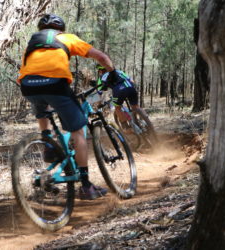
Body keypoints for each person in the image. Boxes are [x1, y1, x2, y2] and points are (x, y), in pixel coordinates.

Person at [17, 14, 117, 200]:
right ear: (61, 29)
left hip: (28, 86)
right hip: (55, 85)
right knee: (78, 130)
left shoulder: (32, 42)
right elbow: (101, 57)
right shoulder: (66, 38)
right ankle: (86, 186)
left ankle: (48, 142)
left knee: (43, 106)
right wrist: (113, 73)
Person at [96, 65, 139, 133]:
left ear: (100, 71)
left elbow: (99, 93)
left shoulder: (102, 77)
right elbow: (131, 80)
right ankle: (143, 120)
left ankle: (127, 128)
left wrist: (99, 104)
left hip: (119, 90)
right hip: (130, 87)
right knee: (135, 106)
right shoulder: (118, 71)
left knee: (117, 108)